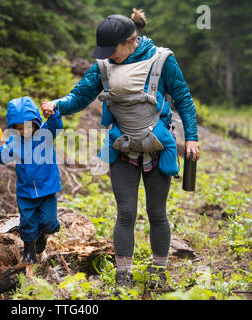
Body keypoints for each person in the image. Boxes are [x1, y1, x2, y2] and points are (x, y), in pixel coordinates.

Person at [41, 9, 200, 289]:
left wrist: (192, 138)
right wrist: (58, 104)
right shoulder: (104, 66)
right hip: (122, 148)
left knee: (157, 213)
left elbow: (184, 99)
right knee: (125, 212)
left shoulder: (162, 61)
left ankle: (158, 273)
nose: (107, 55)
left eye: (111, 49)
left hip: (159, 147)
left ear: (130, 41)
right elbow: (80, 96)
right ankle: (123, 276)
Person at [0, 96, 63, 264]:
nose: (25, 131)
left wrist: (53, 114)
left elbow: (56, 126)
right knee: (28, 222)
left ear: (36, 121)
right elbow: (4, 155)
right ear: (13, 128)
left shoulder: (46, 134)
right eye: (20, 128)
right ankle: (29, 250)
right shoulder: (14, 141)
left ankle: (43, 236)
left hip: (47, 188)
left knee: (49, 222)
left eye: (28, 126)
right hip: (26, 191)